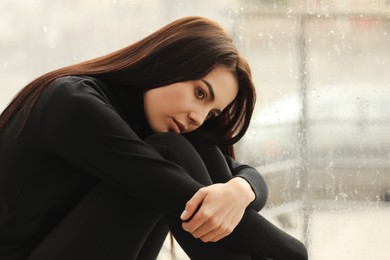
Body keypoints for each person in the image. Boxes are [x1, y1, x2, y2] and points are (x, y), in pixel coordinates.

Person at [0, 16, 307, 260]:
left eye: (211, 113)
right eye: (200, 93)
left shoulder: (150, 122)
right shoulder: (72, 103)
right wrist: (294, 252)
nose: (198, 117)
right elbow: (185, 199)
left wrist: (242, 190)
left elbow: (238, 172)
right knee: (169, 151)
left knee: (191, 145)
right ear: (168, 62)